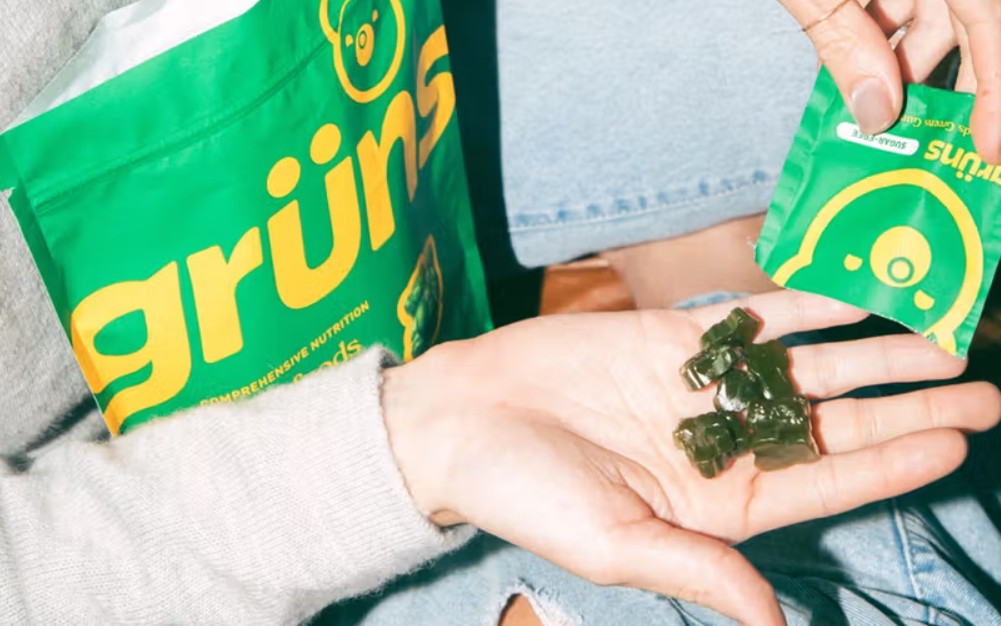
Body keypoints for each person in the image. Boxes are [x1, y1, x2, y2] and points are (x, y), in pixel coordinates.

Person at [0, 3, 999, 626]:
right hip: (140, 517)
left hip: (340, 70)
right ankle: (704, 268)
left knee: (913, 49)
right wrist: (401, 453)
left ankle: (703, 264)